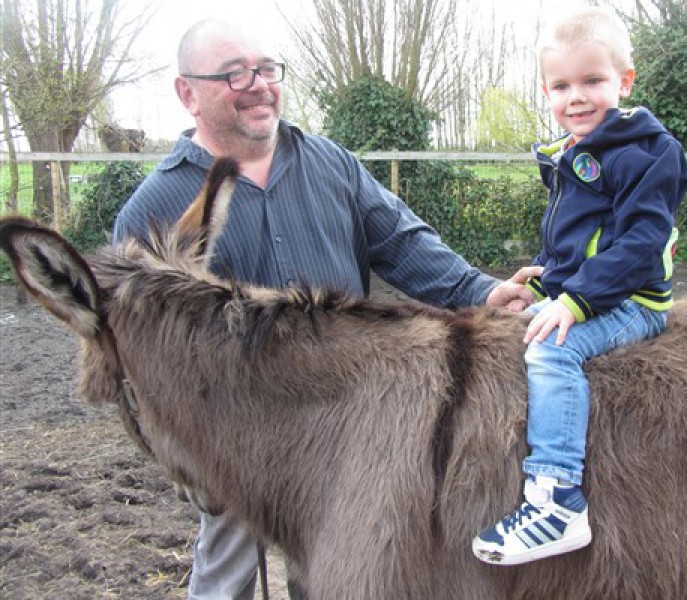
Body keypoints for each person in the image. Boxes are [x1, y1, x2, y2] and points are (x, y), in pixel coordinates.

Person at [112, 19, 538, 600]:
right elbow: (141, 351)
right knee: (226, 574)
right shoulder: (154, 212)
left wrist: (481, 291)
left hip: (342, 422)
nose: (257, 84)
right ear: (188, 93)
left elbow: (401, 241)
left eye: (265, 69)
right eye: (234, 74)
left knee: (334, 568)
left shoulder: (329, 163)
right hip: (239, 432)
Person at [472, 6, 687, 566]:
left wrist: (575, 300)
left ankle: (556, 500)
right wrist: (546, 277)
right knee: (504, 329)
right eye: (561, 85)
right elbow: (578, 236)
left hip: (633, 300)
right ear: (546, 90)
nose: (577, 97)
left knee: (551, 351)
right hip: (586, 288)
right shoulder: (569, 151)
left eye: (593, 81)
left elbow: (640, 245)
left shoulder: (649, 152)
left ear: (625, 81)